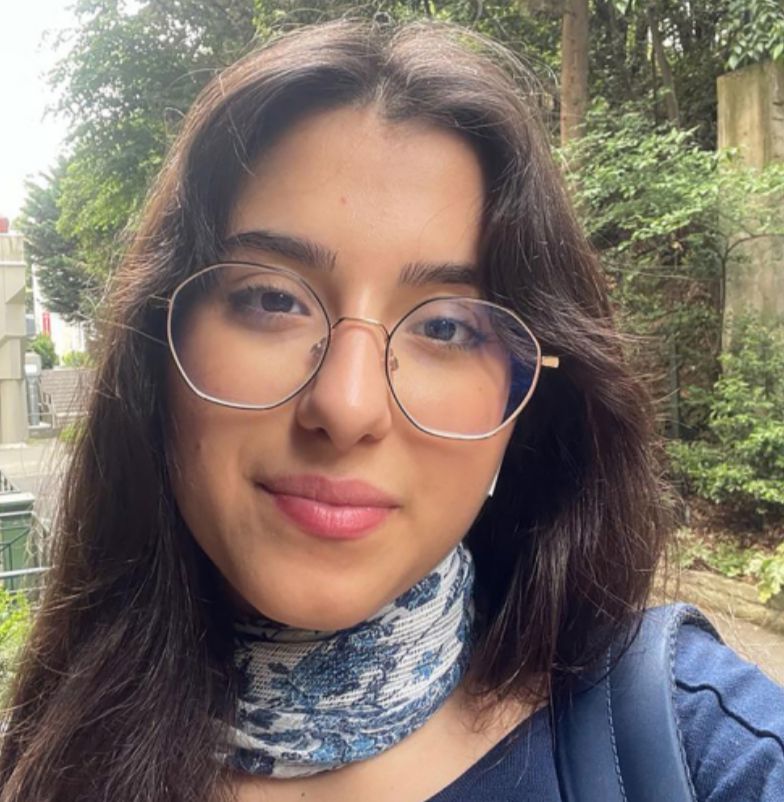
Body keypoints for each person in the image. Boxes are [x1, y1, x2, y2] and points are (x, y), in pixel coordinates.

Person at [1, 19, 782, 802]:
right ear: (157, 350)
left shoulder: (698, 747)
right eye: (271, 299)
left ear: (524, 406)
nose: (346, 407)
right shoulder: (45, 755)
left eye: (445, 327)